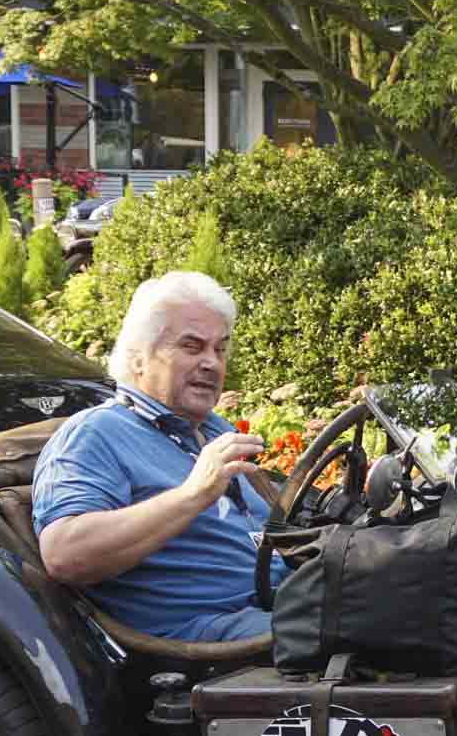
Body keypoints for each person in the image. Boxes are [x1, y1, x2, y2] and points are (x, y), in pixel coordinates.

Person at [33, 272, 286, 642]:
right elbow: (64, 553)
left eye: (220, 349)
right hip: (213, 637)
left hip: (282, 606)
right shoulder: (96, 433)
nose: (212, 363)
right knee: (366, 637)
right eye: (191, 346)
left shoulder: (215, 429)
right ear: (138, 359)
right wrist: (194, 492)